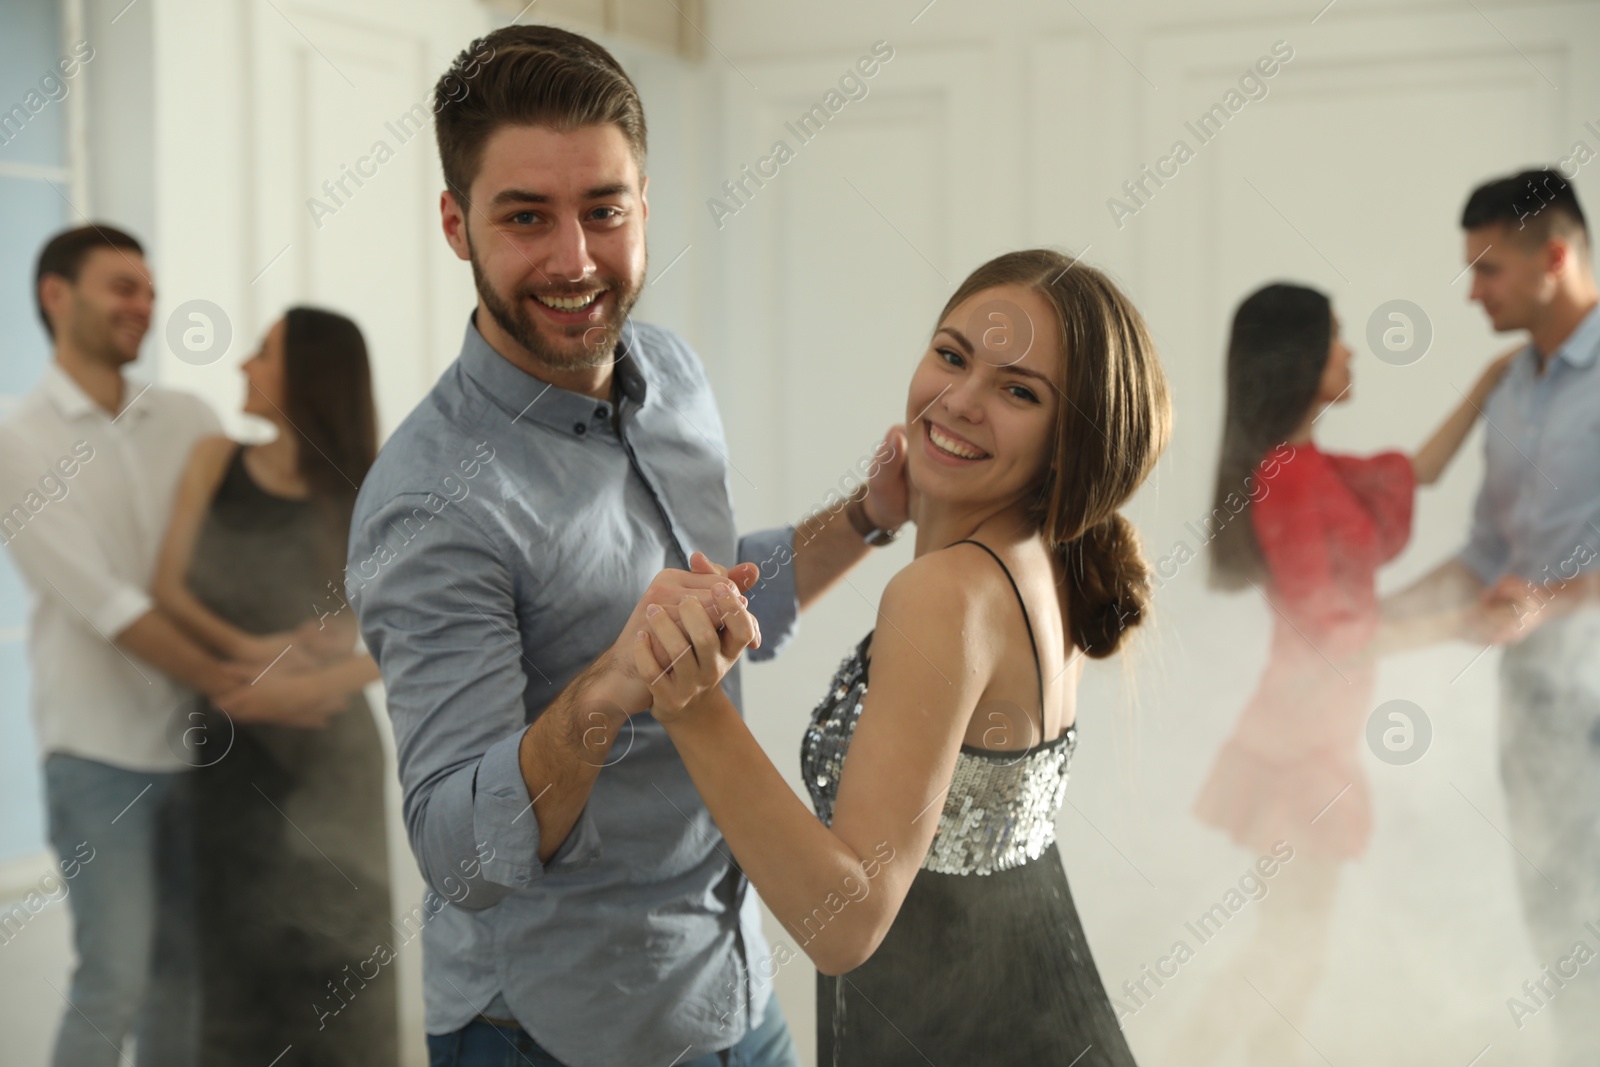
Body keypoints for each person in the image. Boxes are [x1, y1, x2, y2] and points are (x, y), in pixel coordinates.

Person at [348, 25, 909, 1067]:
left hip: (733, 979)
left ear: (643, 204)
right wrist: (611, 682)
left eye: (603, 209)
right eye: (526, 217)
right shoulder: (427, 502)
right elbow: (461, 854)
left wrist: (868, 516)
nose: (574, 258)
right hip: (552, 1027)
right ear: (454, 222)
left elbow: (723, 601)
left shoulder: (673, 375)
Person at [632, 248, 1170, 1064]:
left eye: (1018, 391)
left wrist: (692, 706)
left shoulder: (942, 593)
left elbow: (845, 925)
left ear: (1071, 441)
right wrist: (872, 517)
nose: (959, 400)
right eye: (952, 356)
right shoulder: (1049, 562)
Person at [1162, 283, 1511, 1064]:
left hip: (1310, 737)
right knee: (1287, 955)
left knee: (1291, 955)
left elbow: (1413, 470)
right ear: (1302, 360)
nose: (1353, 352)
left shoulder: (1307, 465)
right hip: (1298, 747)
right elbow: (1337, 637)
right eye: (1339, 339)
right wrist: (1467, 621)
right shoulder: (1286, 476)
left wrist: (1488, 385)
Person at [0, 225, 286, 1066]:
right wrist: (248, 683)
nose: (144, 305)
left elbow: (247, 545)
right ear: (57, 295)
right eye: (122, 287)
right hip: (96, 756)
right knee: (114, 978)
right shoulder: (18, 440)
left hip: (201, 754)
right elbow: (112, 607)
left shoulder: (187, 417)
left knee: (186, 979)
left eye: (149, 289)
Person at [1383, 167, 1600, 1066]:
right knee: (1561, 914)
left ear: (1554, 256)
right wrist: (1370, 618)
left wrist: (1551, 602)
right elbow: (1486, 555)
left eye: (1487, 271)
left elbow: (1536, 590)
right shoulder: (1508, 390)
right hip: (1540, 704)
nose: (1471, 292)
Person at [149, 306, 395, 1063]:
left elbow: (395, 633)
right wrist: (254, 650)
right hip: (230, 750)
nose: (243, 366)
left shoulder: (371, 489)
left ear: (308, 374)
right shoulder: (212, 460)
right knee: (231, 967)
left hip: (330, 745)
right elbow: (168, 589)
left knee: (344, 973)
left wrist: (299, 679)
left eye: (261, 353)